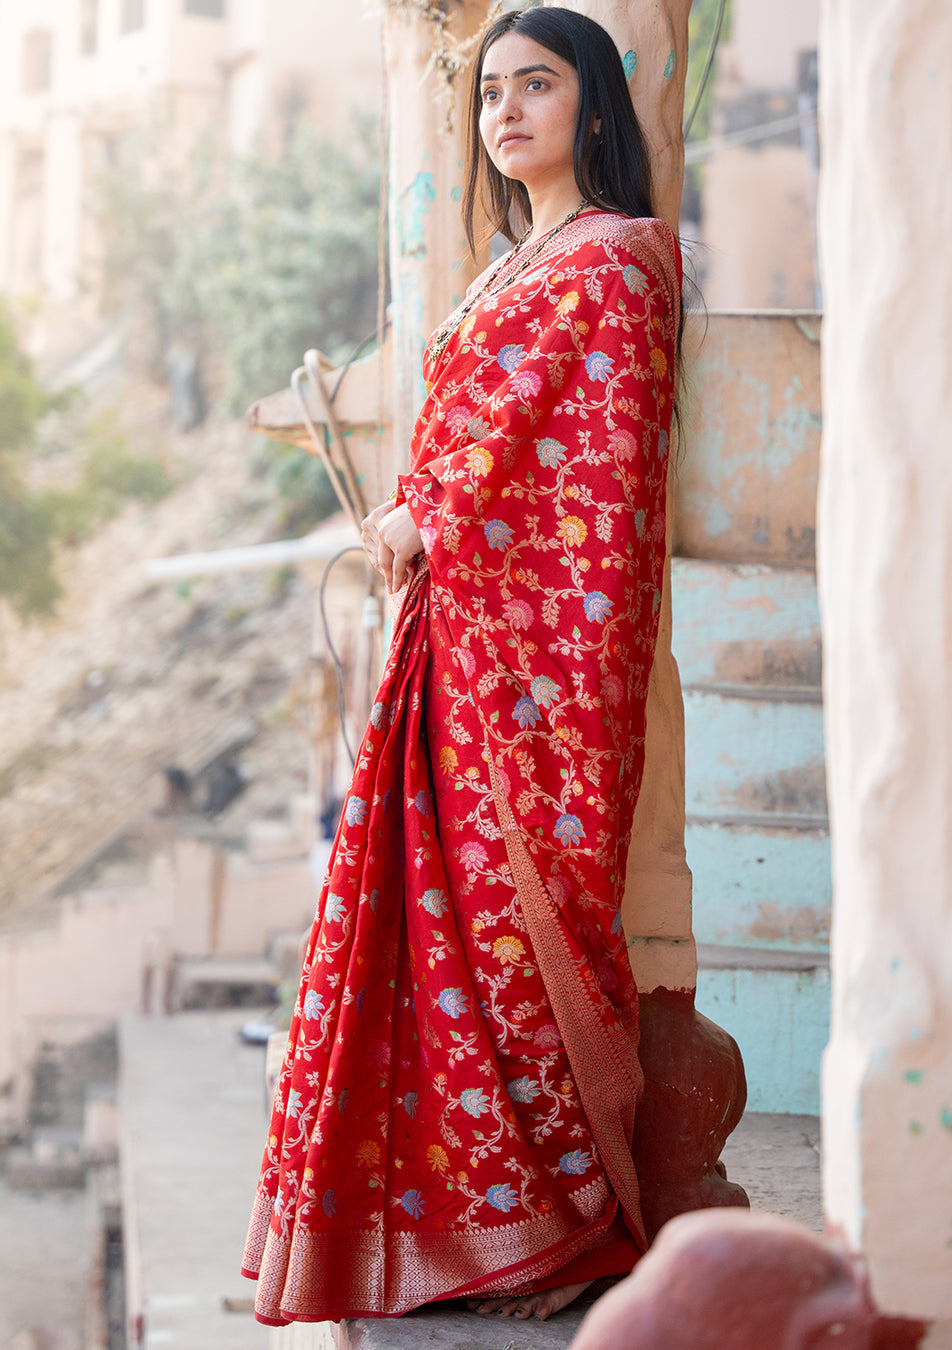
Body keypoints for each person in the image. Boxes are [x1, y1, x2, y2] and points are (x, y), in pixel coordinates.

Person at [242, 5, 683, 1326]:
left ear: (593, 106)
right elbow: (471, 430)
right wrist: (426, 519)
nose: (506, 112)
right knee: (438, 938)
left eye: (536, 86)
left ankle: (574, 1229)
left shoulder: (614, 262)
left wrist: (427, 512)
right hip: (458, 644)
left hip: (539, 667)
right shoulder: (508, 266)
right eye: (490, 90)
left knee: (520, 932)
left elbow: (556, 452)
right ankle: (481, 1224)